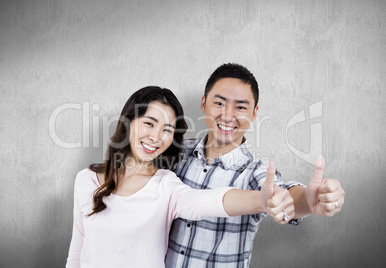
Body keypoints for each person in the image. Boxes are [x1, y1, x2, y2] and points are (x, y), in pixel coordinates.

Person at [65, 86, 295, 268]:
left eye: (167, 130)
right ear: (128, 122)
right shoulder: (86, 179)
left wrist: (261, 201)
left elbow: (210, 201)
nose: (156, 137)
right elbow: (77, 252)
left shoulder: (165, 184)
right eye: (149, 123)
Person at [165, 63, 345, 267]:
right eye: (219, 103)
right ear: (204, 103)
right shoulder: (175, 153)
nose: (227, 116)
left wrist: (307, 200)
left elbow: (280, 193)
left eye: (240, 107)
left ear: (254, 113)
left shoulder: (255, 171)